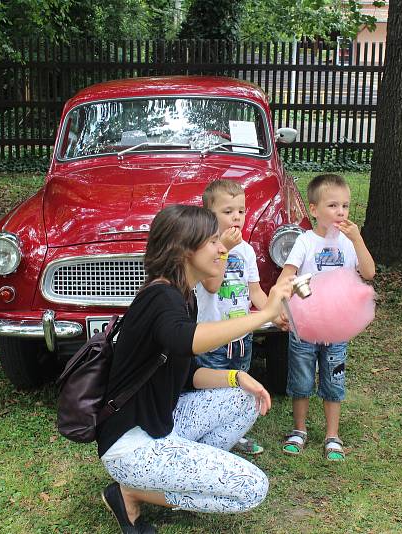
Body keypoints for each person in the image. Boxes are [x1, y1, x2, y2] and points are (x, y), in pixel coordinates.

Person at [96, 204, 294, 534]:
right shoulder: (159, 298)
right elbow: (187, 340)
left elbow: (185, 373)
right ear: (183, 249)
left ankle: (182, 472)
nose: (222, 248)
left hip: (162, 423)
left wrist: (237, 376)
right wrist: (265, 314)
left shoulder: (183, 295)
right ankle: (129, 492)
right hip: (130, 445)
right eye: (212, 242)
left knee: (243, 397)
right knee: (251, 488)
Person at [276, 174, 375, 461]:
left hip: (337, 328)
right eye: (332, 205)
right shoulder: (305, 241)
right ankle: (299, 430)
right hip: (304, 326)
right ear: (314, 210)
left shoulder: (348, 243)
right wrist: (282, 306)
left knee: (333, 381)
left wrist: (357, 239)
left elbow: (369, 273)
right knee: (302, 379)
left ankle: (332, 435)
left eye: (345, 206)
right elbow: (288, 276)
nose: (340, 212)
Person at [194, 179, 275, 456]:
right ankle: (207, 437)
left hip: (241, 336)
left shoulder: (248, 250)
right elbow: (212, 286)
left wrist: (273, 314)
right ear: (209, 215)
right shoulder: (204, 248)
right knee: (214, 387)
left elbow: (255, 292)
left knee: (241, 384)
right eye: (228, 211)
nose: (237, 217)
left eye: (241, 210)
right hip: (213, 337)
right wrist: (223, 250)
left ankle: (234, 434)